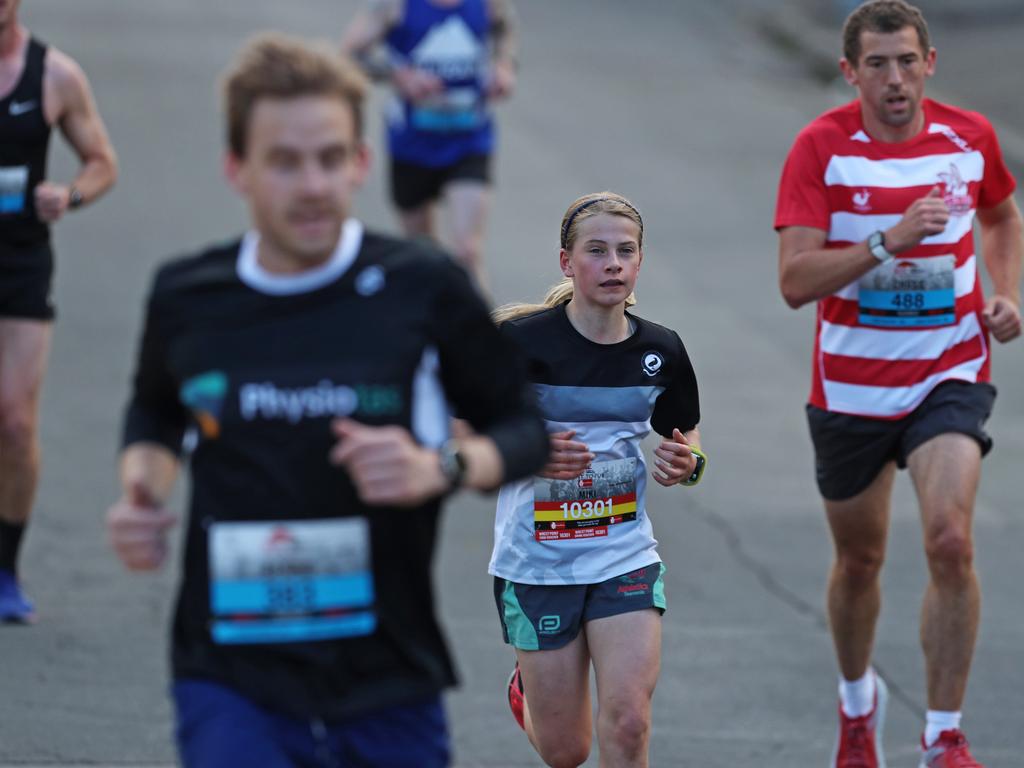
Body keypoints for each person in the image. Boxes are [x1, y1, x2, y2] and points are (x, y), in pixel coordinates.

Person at [105, 34, 548, 768]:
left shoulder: (425, 286)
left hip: (387, 677)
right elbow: (155, 410)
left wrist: (442, 465)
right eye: (284, 161)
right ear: (236, 168)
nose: (311, 185)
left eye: (330, 158)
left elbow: (524, 426)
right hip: (230, 673)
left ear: (361, 164)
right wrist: (142, 487)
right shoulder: (190, 296)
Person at [774, 2, 1022, 767]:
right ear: (850, 73)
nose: (895, 79)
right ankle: (858, 708)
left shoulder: (969, 137)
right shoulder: (820, 150)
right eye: (877, 65)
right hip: (850, 389)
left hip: (947, 371)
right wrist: (886, 242)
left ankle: (943, 734)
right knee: (861, 562)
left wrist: (1005, 292)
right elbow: (793, 281)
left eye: (907, 61)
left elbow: (1003, 219)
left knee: (950, 540)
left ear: (930, 63)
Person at [489, 192, 706, 768]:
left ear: (639, 263)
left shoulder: (660, 349)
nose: (613, 263)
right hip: (537, 563)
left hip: (624, 556)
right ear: (567, 262)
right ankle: (526, 692)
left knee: (630, 723)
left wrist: (689, 465)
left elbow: (687, 435)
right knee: (566, 752)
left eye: (625, 251)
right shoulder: (521, 346)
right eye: (597, 251)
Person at [0, 0, 117, 623]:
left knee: (15, 425)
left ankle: (5, 568)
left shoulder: (55, 76)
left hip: (19, 263)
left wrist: (69, 194)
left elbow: (103, 163)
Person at [340, 0, 518, 289]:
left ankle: (481, 332)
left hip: (470, 142)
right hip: (411, 146)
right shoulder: (395, 7)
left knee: (467, 251)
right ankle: (437, 326)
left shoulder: (487, 4)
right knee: (424, 255)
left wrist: (503, 65)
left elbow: (503, 26)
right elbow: (350, 56)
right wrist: (399, 76)